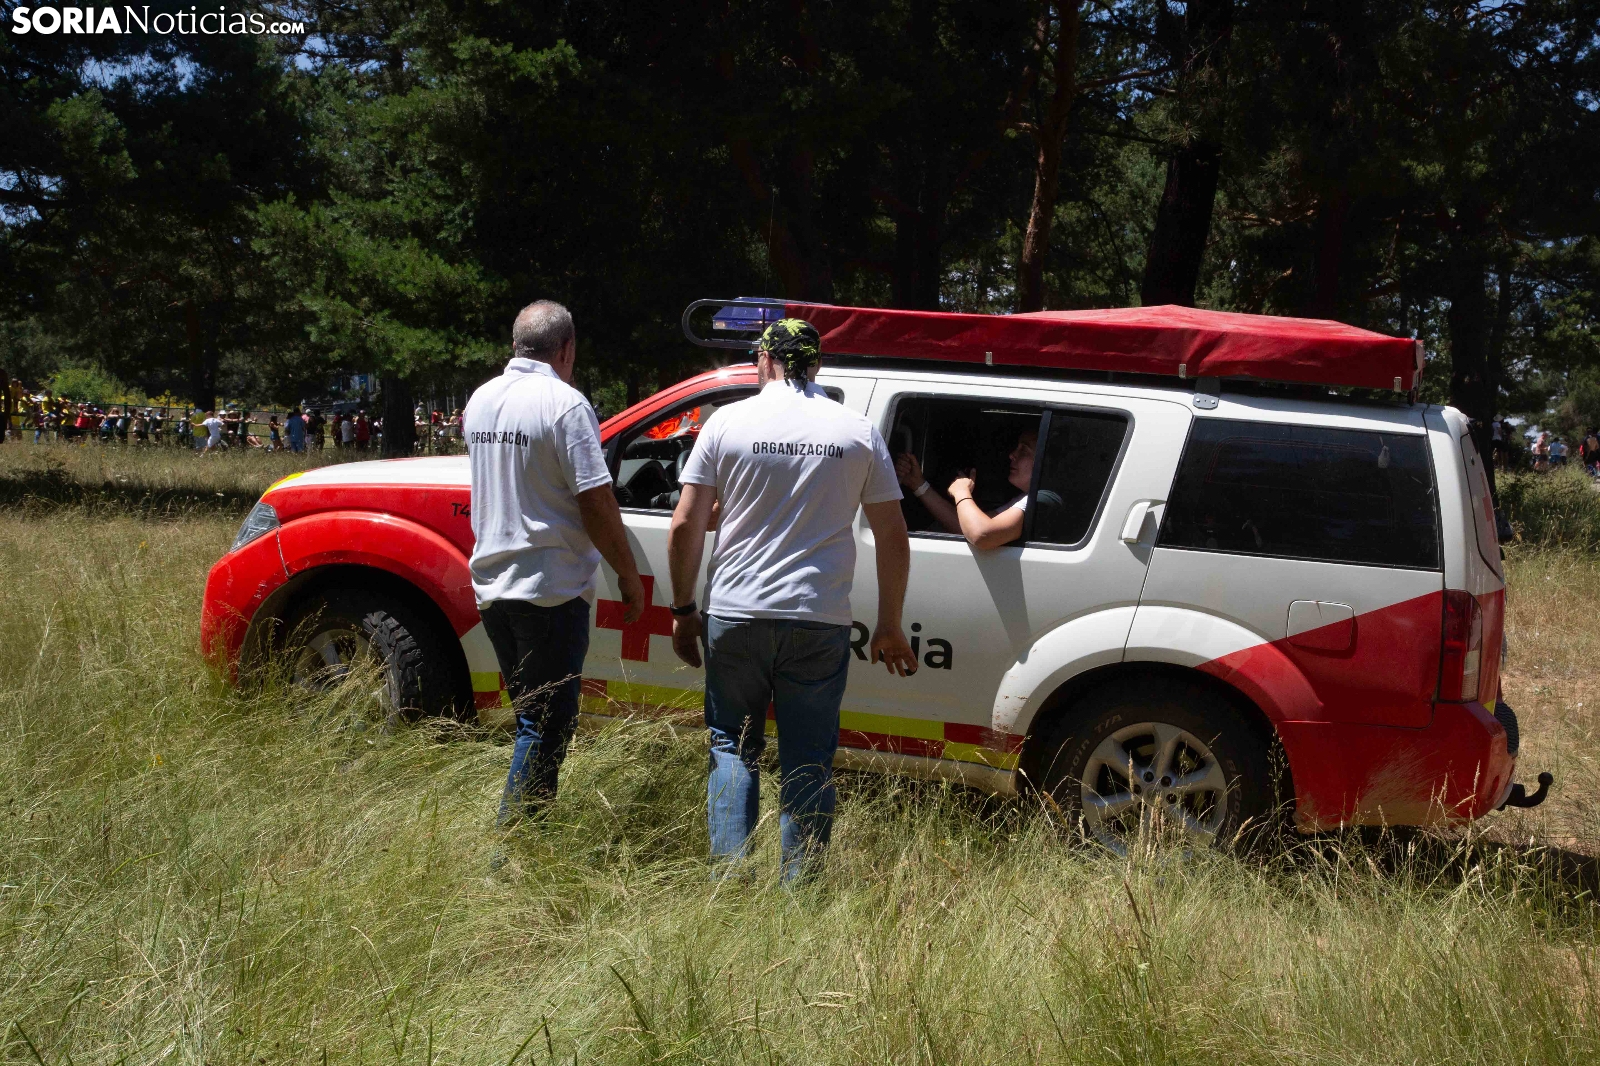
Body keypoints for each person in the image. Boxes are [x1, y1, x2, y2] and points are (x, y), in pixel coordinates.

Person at [666, 318, 917, 884]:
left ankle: (729, 887)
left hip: (736, 612)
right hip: (817, 617)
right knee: (807, 758)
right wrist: (889, 624)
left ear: (764, 360)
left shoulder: (727, 422)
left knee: (733, 748)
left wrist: (683, 611)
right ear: (816, 364)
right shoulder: (855, 430)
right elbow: (893, 534)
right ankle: (799, 895)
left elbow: (685, 524)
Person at [464, 299, 645, 827]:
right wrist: (628, 574)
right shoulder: (565, 405)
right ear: (567, 349)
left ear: (515, 346)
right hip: (548, 590)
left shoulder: (481, 399)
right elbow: (596, 499)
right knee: (545, 727)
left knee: (531, 719)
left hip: (493, 586)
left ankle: (526, 834)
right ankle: (516, 843)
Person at [893, 428, 1059, 549]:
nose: (1012, 455)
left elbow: (982, 535)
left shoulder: (1044, 499)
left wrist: (961, 492)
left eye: (1024, 450)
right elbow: (967, 527)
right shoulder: (1026, 498)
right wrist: (919, 485)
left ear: (1044, 462)